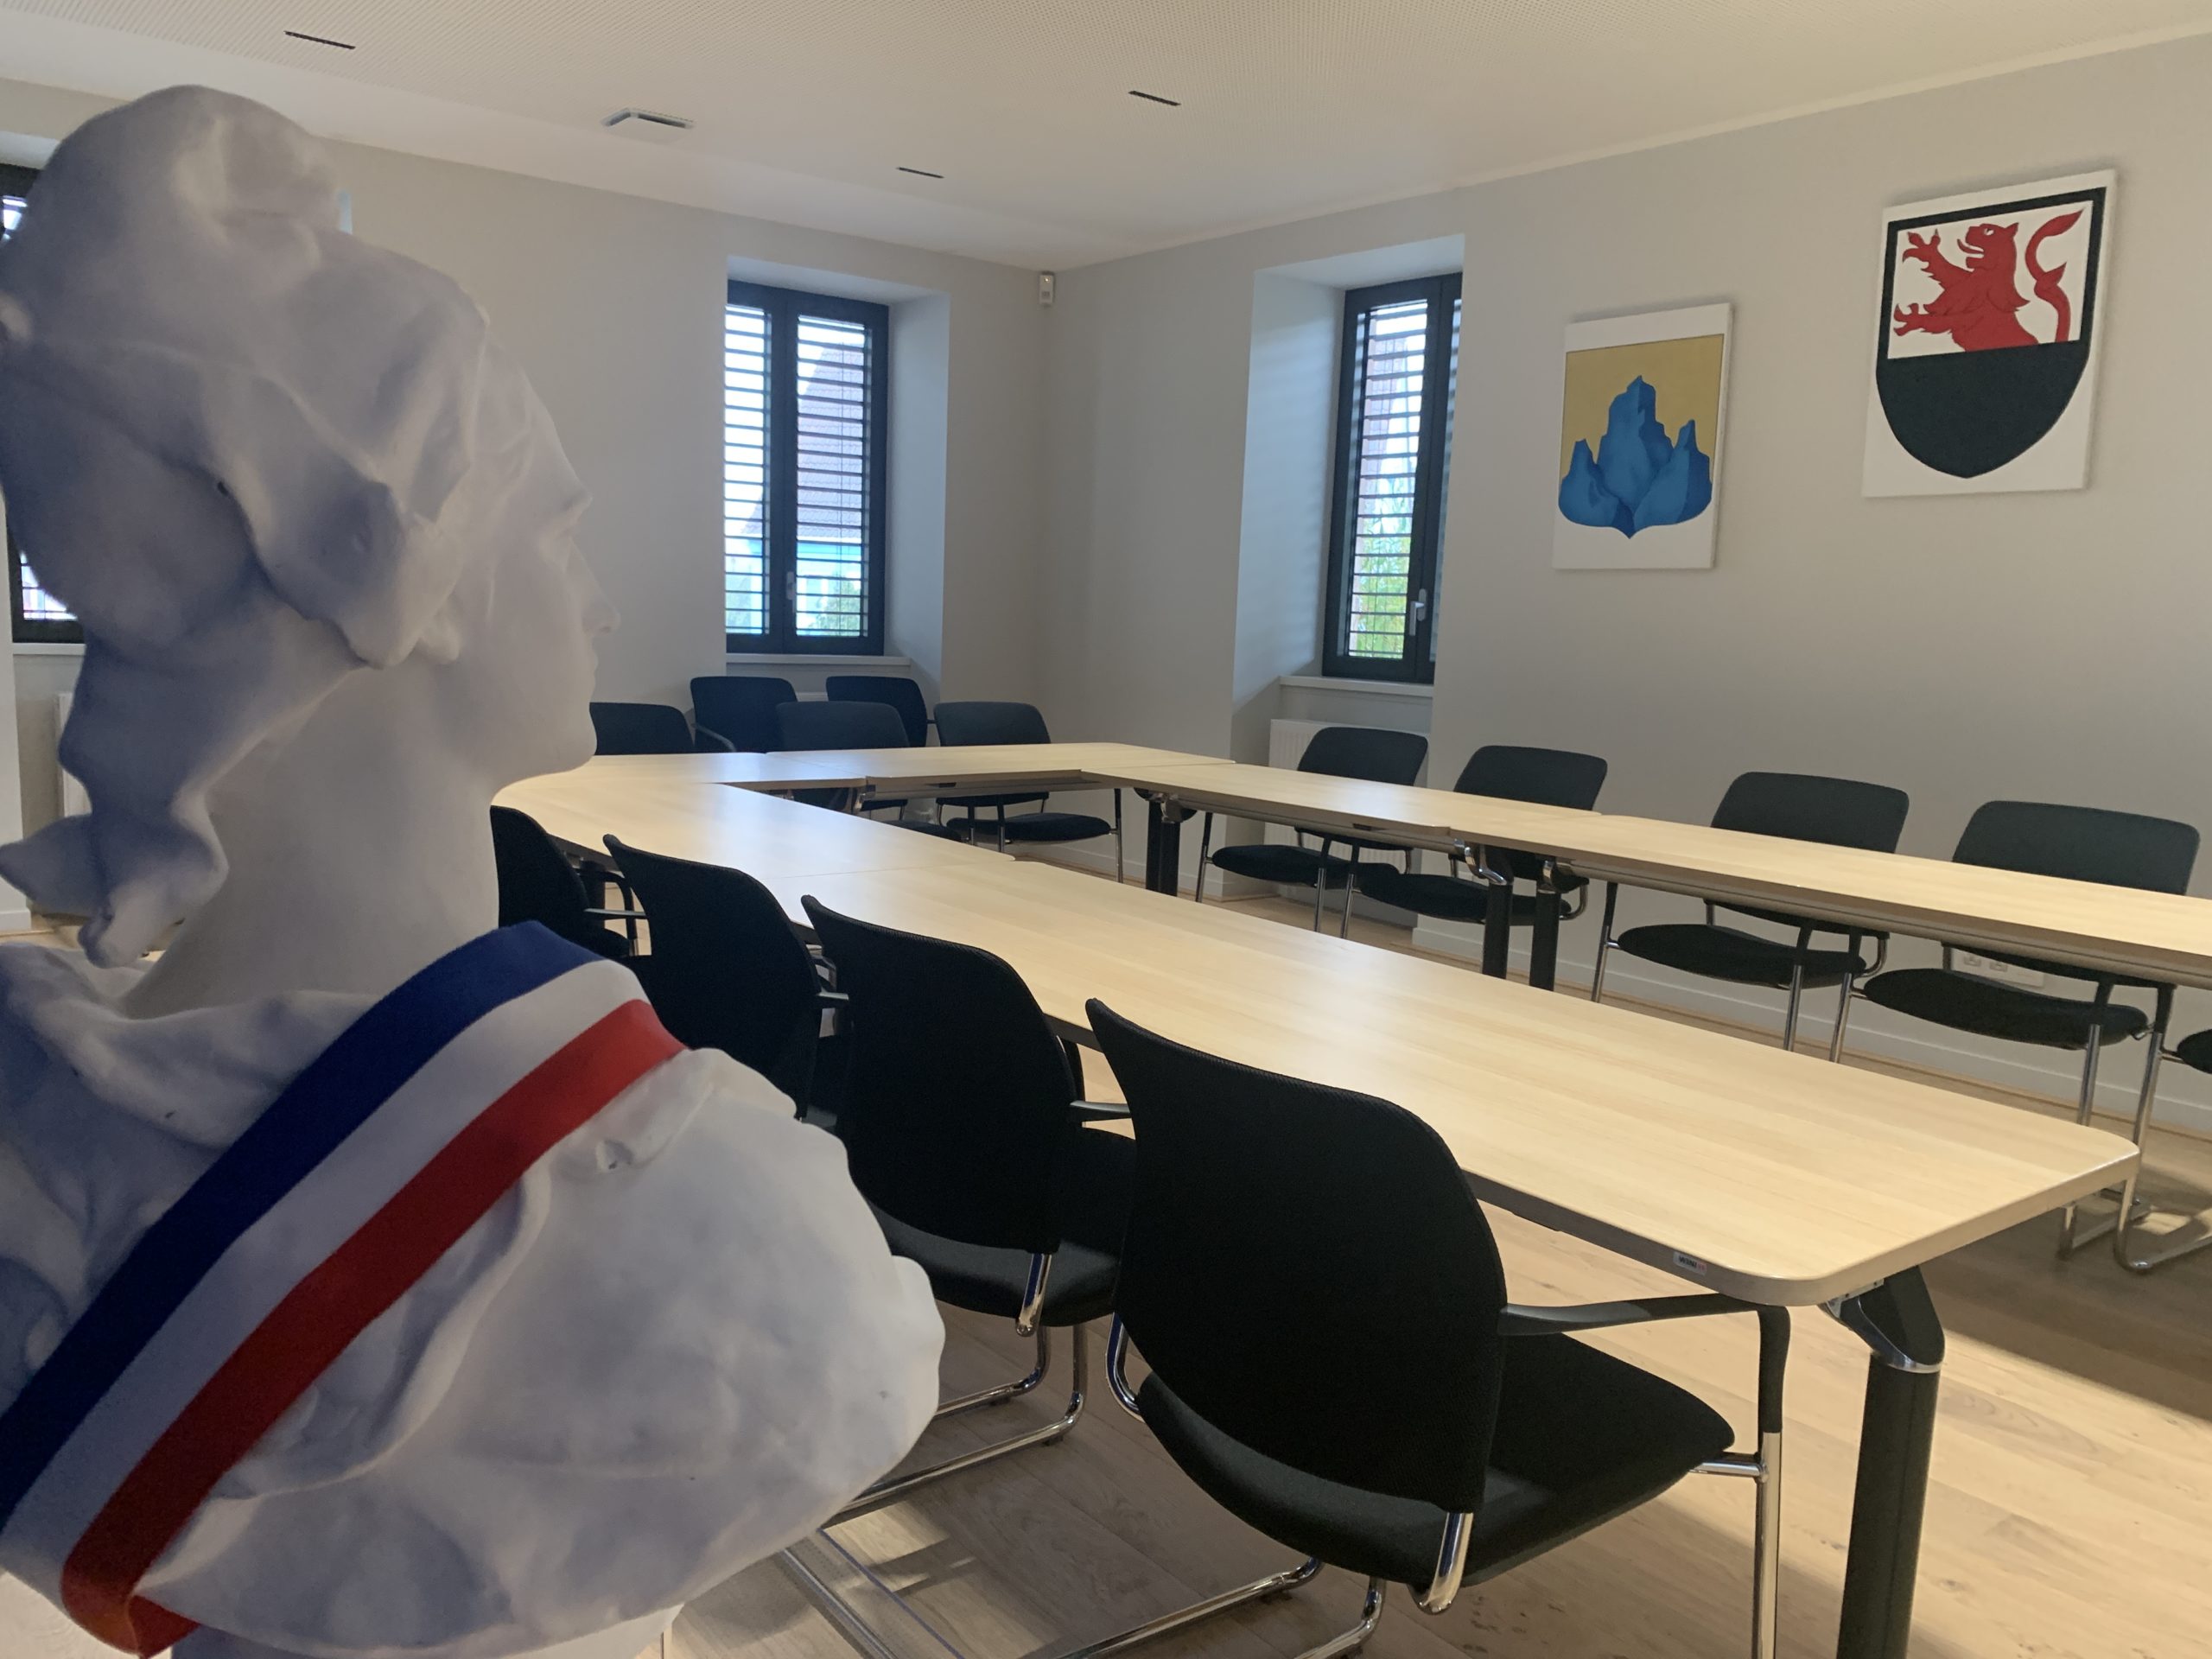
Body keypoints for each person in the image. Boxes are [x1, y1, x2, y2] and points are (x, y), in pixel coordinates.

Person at [0, 86, 943, 1659]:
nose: (601, 604)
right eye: (558, 533)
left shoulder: (31, 1123)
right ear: (400, 579)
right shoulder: (745, 1257)